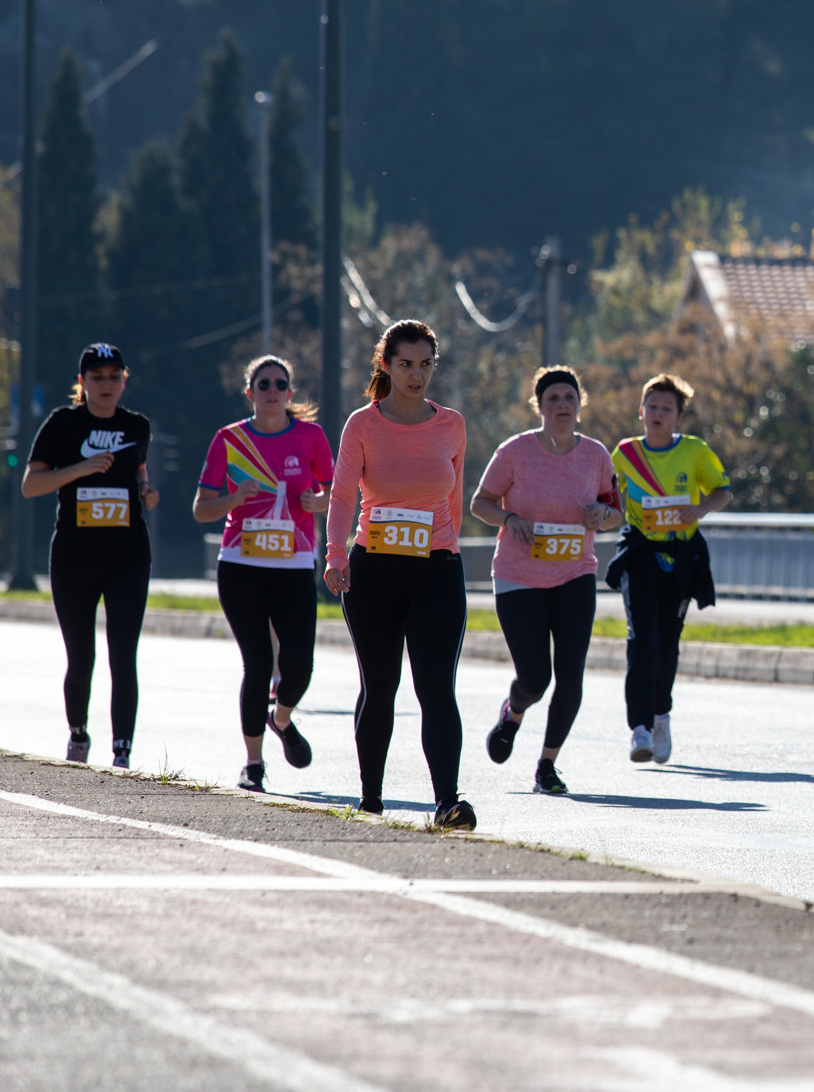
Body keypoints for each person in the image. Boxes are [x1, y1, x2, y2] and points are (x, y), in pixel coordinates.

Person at [324, 319, 475, 830]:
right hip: (374, 570)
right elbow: (344, 494)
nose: (417, 375)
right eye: (406, 364)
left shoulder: (450, 423)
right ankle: (370, 799)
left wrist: (447, 549)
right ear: (385, 365)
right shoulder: (362, 424)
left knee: (436, 687)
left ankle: (447, 802)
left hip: (436, 568)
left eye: (426, 364)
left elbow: (452, 497)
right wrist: (335, 555)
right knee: (380, 684)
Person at [472, 365, 622, 795]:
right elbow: (480, 503)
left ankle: (547, 765)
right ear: (539, 406)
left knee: (570, 674)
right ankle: (513, 711)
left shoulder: (595, 455)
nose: (562, 405)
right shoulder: (516, 451)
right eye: (553, 398)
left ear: (580, 404)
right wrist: (509, 517)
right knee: (536, 678)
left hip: (576, 571)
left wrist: (603, 516)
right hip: (519, 575)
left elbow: (615, 511)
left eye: (569, 398)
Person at [193, 356, 333, 793]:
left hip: (294, 564)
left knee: (299, 666)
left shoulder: (311, 437)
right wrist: (233, 498)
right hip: (241, 565)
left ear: (290, 393)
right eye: (263, 383)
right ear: (249, 392)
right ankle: (253, 763)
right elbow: (201, 510)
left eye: (280, 384)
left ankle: (281, 718)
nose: (272, 390)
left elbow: (334, 489)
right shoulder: (229, 440)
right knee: (256, 666)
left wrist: (320, 502)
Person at [22, 343, 161, 767]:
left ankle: (123, 752)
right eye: (97, 377)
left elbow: (138, 473)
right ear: (82, 383)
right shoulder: (63, 423)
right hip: (74, 556)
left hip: (127, 555)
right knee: (81, 657)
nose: (106, 384)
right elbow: (31, 485)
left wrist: (146, 491)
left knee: (123, 654)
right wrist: (79, 469)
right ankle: (78, 733)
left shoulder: (138, 426)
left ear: (125, 380)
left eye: (114, 376)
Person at [608, 373, 729, 768]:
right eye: (652, 407)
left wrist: (700, 508)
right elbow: (605, 496)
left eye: (667, 409)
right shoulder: (625, 453)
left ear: (679, 417)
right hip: (641, 552)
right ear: (640, 411)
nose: (658, 414)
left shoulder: (694, 451)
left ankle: (661, 717)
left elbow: (722, 491)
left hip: (681, 556)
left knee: (666, 644)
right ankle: (639, 729)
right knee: (641, 640)